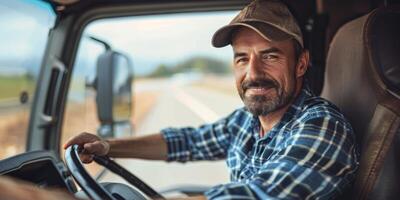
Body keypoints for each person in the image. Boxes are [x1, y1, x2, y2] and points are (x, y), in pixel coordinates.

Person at [64, 0, 359, 199]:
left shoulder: (323, 124)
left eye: (270, 56)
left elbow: (258, 196)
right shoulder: (247, 120)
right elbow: (187, 141)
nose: (253, 73)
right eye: (242, 59)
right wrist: (108, 147)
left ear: (301, 64)